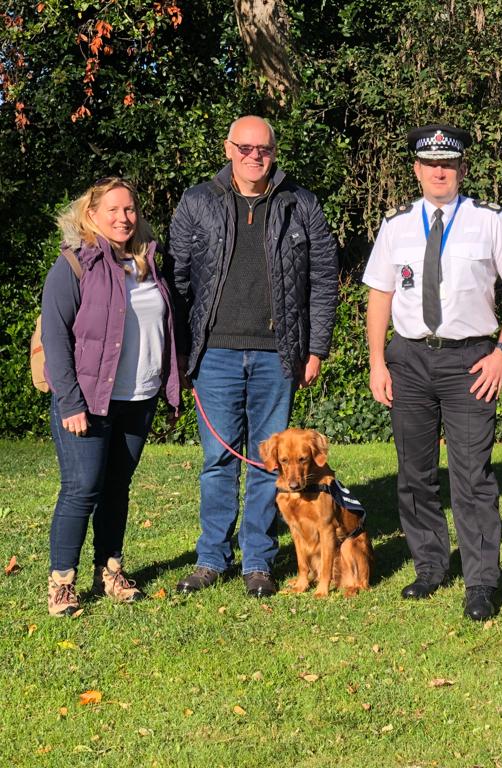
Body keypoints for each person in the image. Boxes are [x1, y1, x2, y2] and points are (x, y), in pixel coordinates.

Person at [362, 124, 502, 621]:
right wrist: (378, 360)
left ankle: (481, 580)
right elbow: (380, 294)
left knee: (472, 475)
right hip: (410, 359)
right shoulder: (395, 225)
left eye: (449, 163)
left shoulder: (490, 221)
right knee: (415, 473)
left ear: (461, 168)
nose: (440, 171)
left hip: (471, 360)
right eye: (430, 163)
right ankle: (430, 567)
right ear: (416, 169)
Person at [169, 116, 339, 598]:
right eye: (244, 147)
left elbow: (323, 280)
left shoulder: (300, 203)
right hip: (214, 354)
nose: (253, 156)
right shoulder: (197, 201)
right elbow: (176, 281)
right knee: (217, 459)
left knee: (274, 465)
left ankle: (259, 562)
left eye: (262, 148)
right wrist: (183, 350)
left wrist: (316, 347)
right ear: (228, 149)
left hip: (278, 356)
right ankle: (211, 558)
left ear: (274, 151)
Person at [41, 177, 181, 616]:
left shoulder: (149, 263)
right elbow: (56, 337)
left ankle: (110, 569)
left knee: (117, 487)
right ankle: (62, 582)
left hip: (137, 398)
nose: (124, 218)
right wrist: (70, 402)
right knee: (82, 488)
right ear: (92, 215)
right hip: (87, 401)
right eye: (114, 210)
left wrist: (171, 384)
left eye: (130, 210)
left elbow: (166, 329)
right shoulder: (74, 264)